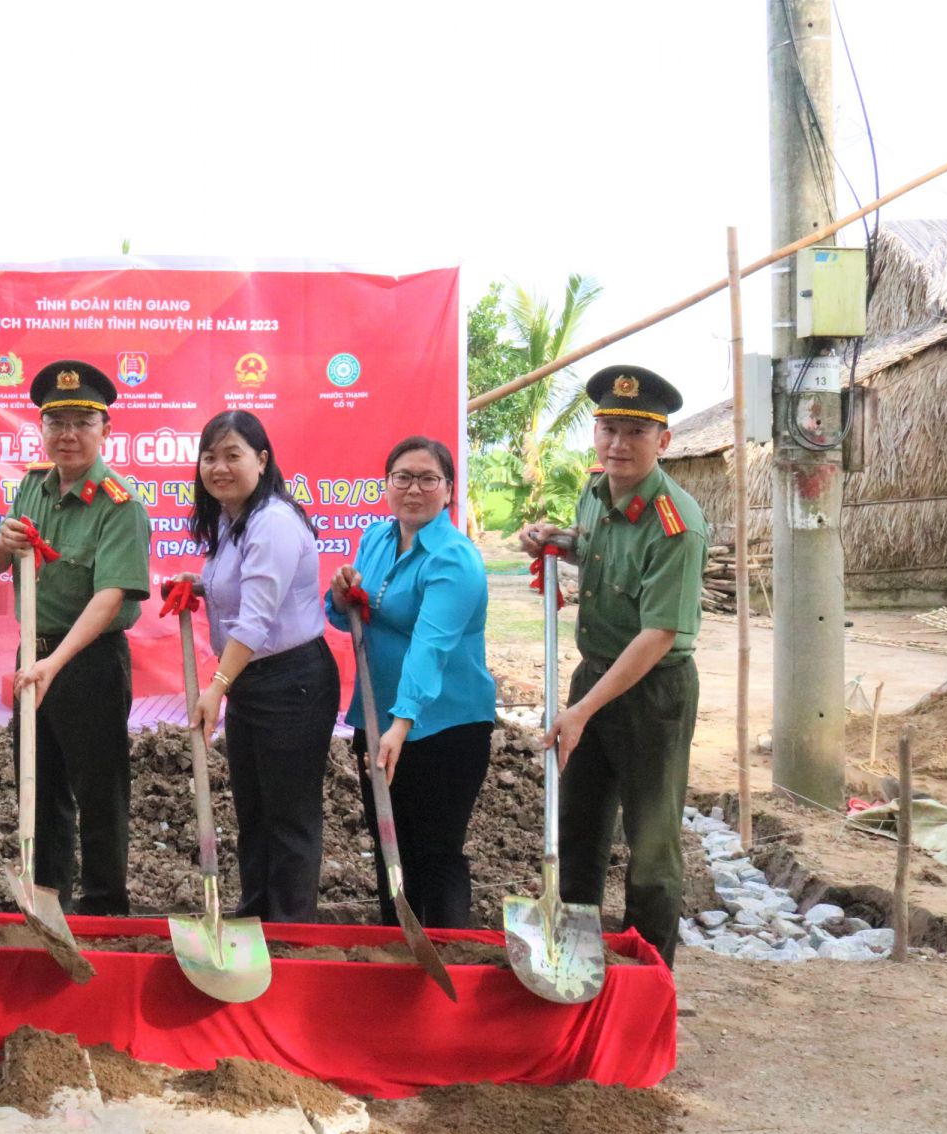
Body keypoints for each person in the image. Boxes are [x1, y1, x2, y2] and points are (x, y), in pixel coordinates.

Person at [517, 364, 707, 967]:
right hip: (594, 675)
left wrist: (580, 711)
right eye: (609, 430)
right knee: (577, 829)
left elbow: (658, 634)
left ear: (663, 441)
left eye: (636, 432)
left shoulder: (677, 524)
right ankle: (573, 965)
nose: (619, 445)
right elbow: (600, 547)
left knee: (651, 848)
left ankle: (649, 979)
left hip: (654, 694)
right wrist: (556, 540)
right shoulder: (596, 492)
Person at [0, 360, 151, 916]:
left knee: (99, 791)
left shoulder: (120, 505)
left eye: (82, 422)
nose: (68, 435)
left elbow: (110, 598)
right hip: (33, 653)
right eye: (56, 422)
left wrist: (54, 665)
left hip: (89, 662)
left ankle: (105, 907)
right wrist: (3, 543)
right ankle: (47, 899)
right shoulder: (32, 486)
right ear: (42, 429)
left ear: (105, 430)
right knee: (39, 782)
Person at [171, 411, 339, 924]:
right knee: (255, 814)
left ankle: (290, 935)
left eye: (233, 455)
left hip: (292, 684)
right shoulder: (233, 519)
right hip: (253, 683)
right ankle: (254, 921)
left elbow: (257, 618)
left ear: (262, 460)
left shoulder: (273, 522)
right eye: (210, 457)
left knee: (288, 818)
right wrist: (199, 585)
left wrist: (217, 686)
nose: (219, 467)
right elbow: (241, 588)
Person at [327, 436, 495, 929]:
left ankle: (446, 950)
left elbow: (431, 645)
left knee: (436, 851)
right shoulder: (376, 539)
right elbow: (349, 616)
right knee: (389, 843)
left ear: (449, 490)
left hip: (443, 727)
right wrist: (340, 595)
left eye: (427, 479)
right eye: (402, 477)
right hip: (378, 718)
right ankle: (397, 944)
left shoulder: (454, 558)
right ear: (387, 483)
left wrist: (401, 723)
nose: (413, 489)